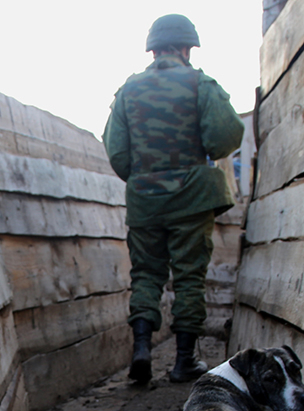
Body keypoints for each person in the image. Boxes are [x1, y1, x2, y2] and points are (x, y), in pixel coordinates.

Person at [103, 14, 245, 384]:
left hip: (145, 202)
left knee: (146, 274)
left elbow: (117, 153)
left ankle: (141, 350)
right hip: (191, 201)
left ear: (152, 49)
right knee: (188, 279)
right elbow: (226, 137)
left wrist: (146, 179)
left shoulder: (128, 90)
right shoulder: (200, 83)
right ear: (187, 47)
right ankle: (184, 362)